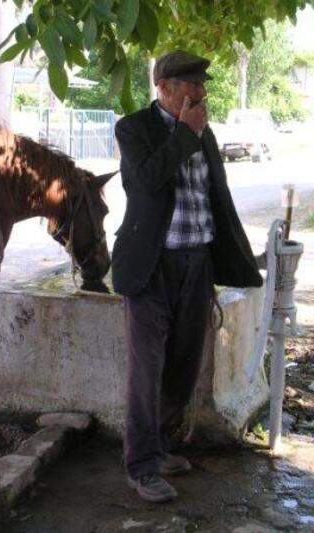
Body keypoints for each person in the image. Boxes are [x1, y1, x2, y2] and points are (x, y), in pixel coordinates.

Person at [111, 50, 263, 503]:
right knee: (147, 369)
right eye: (189, 85)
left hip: (196, 263)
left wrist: (235, 255)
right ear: (163, 87)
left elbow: (217, 197)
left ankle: (160, 447)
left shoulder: (205, 134)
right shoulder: (133, 129)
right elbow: (145, 182)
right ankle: (140, 466)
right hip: (151, 266)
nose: (199, 93)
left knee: (184, 364)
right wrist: (184, 134)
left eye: (201, 85)